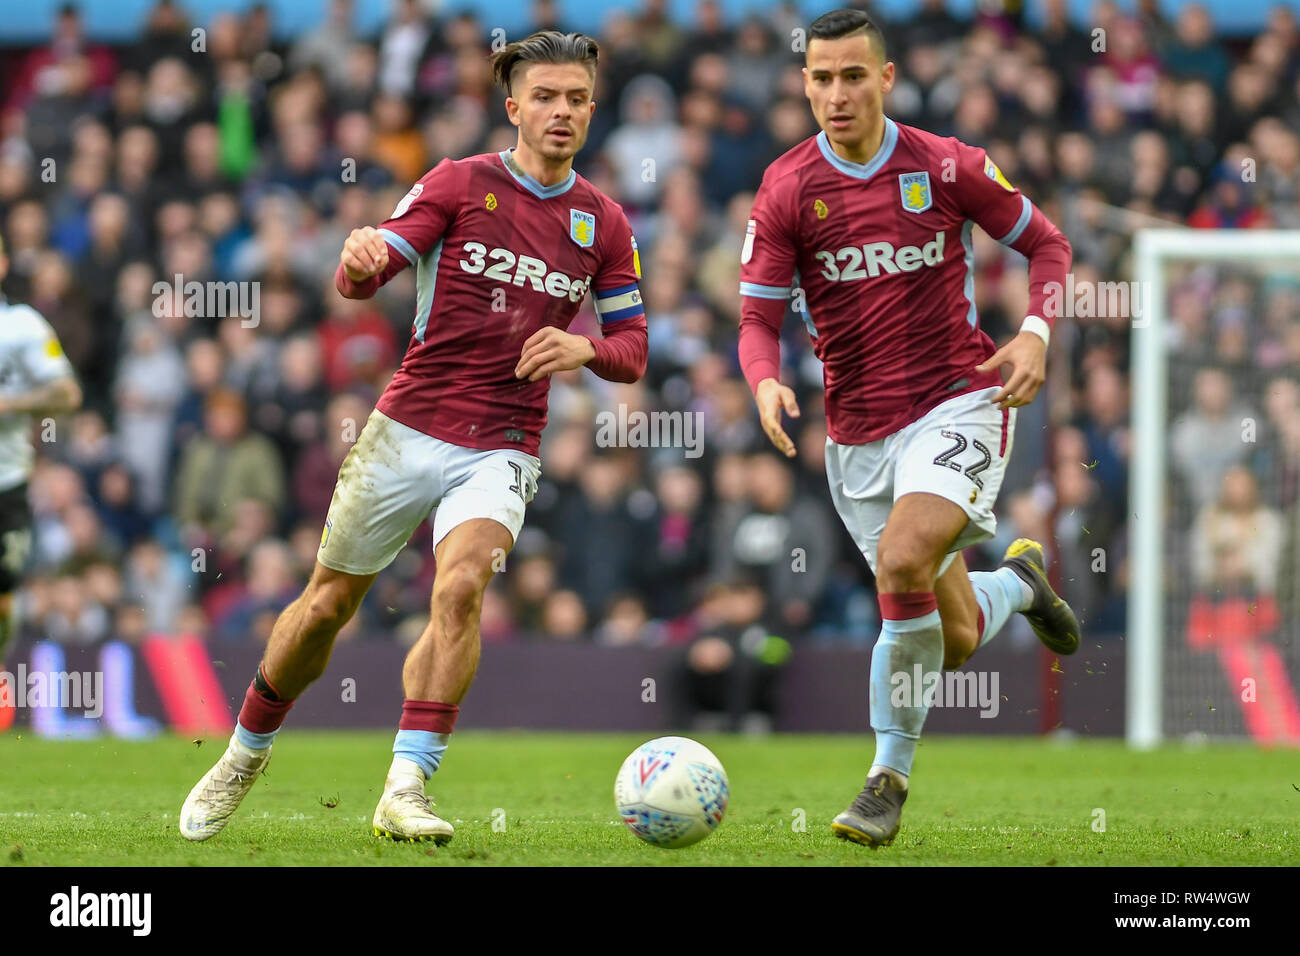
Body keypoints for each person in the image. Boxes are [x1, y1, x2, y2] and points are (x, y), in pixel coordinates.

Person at [179, 31, 647, 844]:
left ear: (592, 108)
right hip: (406, 429)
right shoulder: (461, 183)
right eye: (545, 96)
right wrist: (359, 258)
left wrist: (586, 348)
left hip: (504, 441)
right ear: (514, 108)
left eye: (576, 97)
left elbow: (633, 350)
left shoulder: (604, 224)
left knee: (461, 586)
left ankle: (406, 785)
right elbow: (364, 274)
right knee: (327, 607)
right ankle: (244, 754)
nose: (562, 110)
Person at [737, 9, 1079, 848]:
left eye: (853, 76)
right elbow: (755, 318)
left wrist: (1034, 333)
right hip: (857, 438)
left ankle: (885, 781)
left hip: (958, 400)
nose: (836, 94)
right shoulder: (787, 187)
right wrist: (763, 380)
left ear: (886, 79)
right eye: (820, 78)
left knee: (901, 558)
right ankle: (1020, 584)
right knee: (952, 637)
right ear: (805, 82)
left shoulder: (948, 165)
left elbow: (1050, 247)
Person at [0, 233, 83, 672]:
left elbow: (67, 394)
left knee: (4, 598)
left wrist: (9, 404)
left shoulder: (23, 326)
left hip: (6, 480)